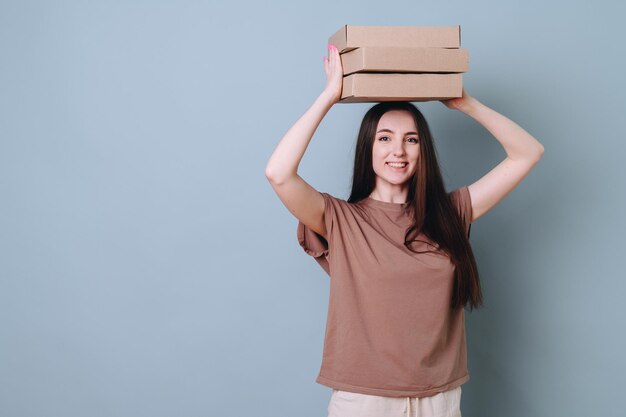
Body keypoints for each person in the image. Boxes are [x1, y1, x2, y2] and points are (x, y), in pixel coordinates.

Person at [265, 43, 544, 417]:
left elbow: (528, 152)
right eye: (385, 138)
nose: (398, 150)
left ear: (422, 150)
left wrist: (465, 103)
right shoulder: (340, 219)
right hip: (365, 400)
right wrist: (329, 95)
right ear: (369, 148)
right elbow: (278, 173)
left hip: (439, 399)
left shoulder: (451, 212)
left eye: (411, 139)